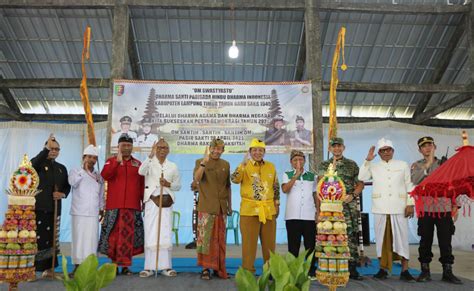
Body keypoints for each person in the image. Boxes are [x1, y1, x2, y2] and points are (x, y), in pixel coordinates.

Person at [358, 138, 416, 282]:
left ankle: (405, 270)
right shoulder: (374, 166)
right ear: (379, 152)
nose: (386, 153)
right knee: (381, 239)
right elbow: (361, 177)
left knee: (402, 238)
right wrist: (368, 160)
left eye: (388, 150)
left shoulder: (403, 165)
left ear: (393, 151)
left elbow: (410, 185)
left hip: (399, 207)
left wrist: (410, 203)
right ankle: (382, 269)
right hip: (380, 207)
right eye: (383, 150)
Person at [411, 136, 462, 284]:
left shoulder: (445, 164)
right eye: (424, 146)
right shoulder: (417, 165)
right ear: (419, 150)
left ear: (435, 147)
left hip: (443, 207)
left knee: (445, 241)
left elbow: (453, 185)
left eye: (430, 145)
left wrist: (455, 205)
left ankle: (448, 271)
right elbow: (415, 180)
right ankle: (425, 271)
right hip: (426, 209)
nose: (427, 148)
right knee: (425, 240)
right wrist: (428, 164)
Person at [318, 137, 364, 280]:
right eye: (334, 146)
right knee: (328, 233)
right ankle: (330, 265)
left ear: (343, 148)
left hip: (347, 206)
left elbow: (360, 183)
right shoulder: (324, 165)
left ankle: (352, 267)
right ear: (330, 149)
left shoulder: (352, 164)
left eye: (339, 146)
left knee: (349, 235)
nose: (336, 149)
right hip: (330, 207)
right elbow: (320, 185)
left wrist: (353, 195)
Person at [231, 138, 280, 273]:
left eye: (260, 150)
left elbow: (276, 186)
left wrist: (277, 203)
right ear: (250, 152)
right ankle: (248, 272)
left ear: (264, 151)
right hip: (249, 210)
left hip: (268, 209)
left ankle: (270, 272)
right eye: (254, 150)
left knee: (269, 245)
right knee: (249, 245)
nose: (257, 153)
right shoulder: (244, 165)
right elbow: (234, 179)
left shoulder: (271, 166)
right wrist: (242, 164)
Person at [98, 134, 144, 275]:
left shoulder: (138, 164)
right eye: (123, 145)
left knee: (127, 238)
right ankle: (113, 265)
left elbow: (142, 184)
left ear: (132, 147)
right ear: (118, 147)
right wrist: (116, 162)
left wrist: (143, 201)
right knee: (114, 237)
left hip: (132, 206)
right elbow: (105, 176)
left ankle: (125, 266)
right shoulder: (110, 162)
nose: (126, 148)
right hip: (114, 206)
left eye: (129, 145)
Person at [138, 138, 181, 278]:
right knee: (151, 233)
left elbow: (178, 186)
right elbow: (141, 171)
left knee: (165, 233)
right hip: (152, 202)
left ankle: (166, 266)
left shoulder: (173, 166)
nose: (162, 150)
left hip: (166, 202)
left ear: (168, 150)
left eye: (164, 148)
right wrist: (150, 155)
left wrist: (168, 184)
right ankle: (149, 267)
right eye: (159, 147)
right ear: (155, 149)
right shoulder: (150, 163)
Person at [31, 134, 71, 278]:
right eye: (51, 148)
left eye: (57, 149)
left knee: (52, 239)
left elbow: (67, 187)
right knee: (38, 240)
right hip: (40, 208)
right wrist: (45, 150)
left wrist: (62, 194)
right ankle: (33, 270)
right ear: (46, 148)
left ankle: (49, 269)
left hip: (55, 209)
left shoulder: (61, 168)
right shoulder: (38, 164)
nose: (54, 151)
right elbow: (31, 166)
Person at [193, 138, 232, 280]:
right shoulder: (200, 161)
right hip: (206, 207)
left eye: (219, 149)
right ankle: (205, 268)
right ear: (210, 149)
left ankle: (218, 268)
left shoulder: (226, 164)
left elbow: (228, 187)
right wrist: (204, 163)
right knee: (205, 240)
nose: (216, 151)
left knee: (219, 240)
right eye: (214, 148)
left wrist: (229, 206)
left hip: (221, 208)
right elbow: (197, 179)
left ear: (223, 150)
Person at [68, 145, 104, 275]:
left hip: (93, 212)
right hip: (79, 211)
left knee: (92, 240)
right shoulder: (75, 171)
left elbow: (100, 194)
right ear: (83, 157)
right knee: (79, 239)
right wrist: (84, 170)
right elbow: (73, 182)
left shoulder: (99, 176)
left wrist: (101, 208)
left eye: (94, 158)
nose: (92, 160)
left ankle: (90, 267)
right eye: (89, 157)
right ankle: (77, 266)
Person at [281, 150, 317, 278]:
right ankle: (293, 270)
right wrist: (295, 176)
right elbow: (285, 189)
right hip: (292, 215)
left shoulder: (312, 176)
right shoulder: (287, 174)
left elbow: (315, 194)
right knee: (293, 245)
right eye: (295, 160)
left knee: (310, 245)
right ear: (291, 162)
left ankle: (311, 269)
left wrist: (318, 212)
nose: (298, 162)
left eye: (301, 159)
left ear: (304, 161)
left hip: (309, 214)